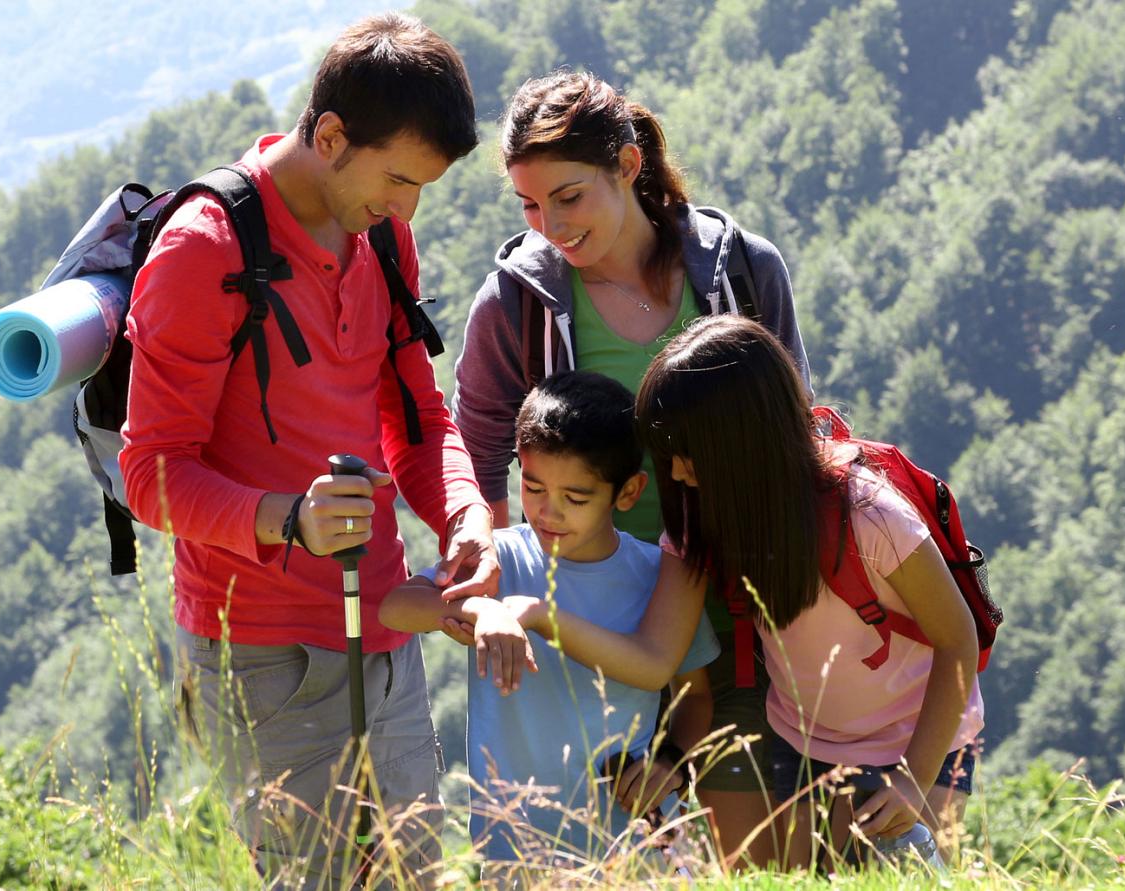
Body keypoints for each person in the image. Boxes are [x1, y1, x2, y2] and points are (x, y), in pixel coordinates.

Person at [117, 13, 495, 887]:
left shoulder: (382, 237)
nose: (407, 209)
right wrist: (289, 520)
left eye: (422, 187)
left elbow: (417, 420)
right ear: (330, 135)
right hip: (265, 660)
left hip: (387, 631)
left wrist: (466, 515)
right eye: (399, 179)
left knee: (418, 877)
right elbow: (152, 472)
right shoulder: (205, 250)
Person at [451, 69, 810, 867]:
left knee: (753, 863)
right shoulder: (514, 304)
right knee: (589, 863)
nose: (549, 226)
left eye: (569, 197)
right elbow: (473, 457)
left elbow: (795, 434)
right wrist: (490, 580)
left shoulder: (742, 273)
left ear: (628, 164)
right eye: (530, 205)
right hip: (589, 634)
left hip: (728, 621)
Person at [496, 316, 984, 870]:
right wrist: (540, 615)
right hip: (804, 744)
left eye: (689, 452)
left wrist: (914, 781)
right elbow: (657, 658)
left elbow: (958, 640)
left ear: (743, 443)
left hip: (924, 741)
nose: (676, 472)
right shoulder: (699, 524)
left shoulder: (870, 515)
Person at [380, 371, 717, 880]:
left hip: (634, 845)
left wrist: (669, 765)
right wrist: (481, 608)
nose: (548, 511)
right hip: (512, 848)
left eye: (575, 498)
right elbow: (395, 607)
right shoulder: (500, 560)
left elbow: (695, 696)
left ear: (628, 492)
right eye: (533, 487)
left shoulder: (656, 575)